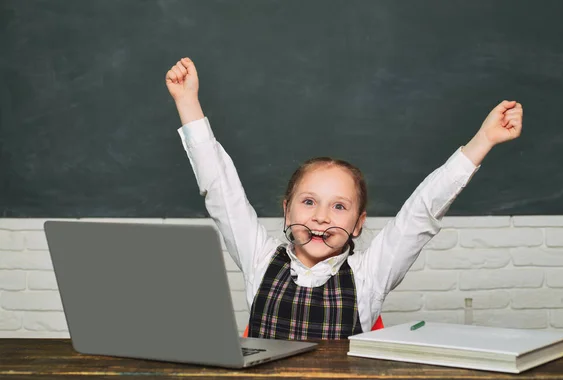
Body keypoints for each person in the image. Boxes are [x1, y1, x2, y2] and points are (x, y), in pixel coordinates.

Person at [165, 57, 523, 340]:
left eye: (339, 207)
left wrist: (483, 141)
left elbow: (421, 211)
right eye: (308, 202)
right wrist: (187, 101)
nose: (321, 217)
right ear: (286, 209)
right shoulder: (259, 259)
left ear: (358, 223)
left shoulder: (369, 276)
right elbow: (219, 186)